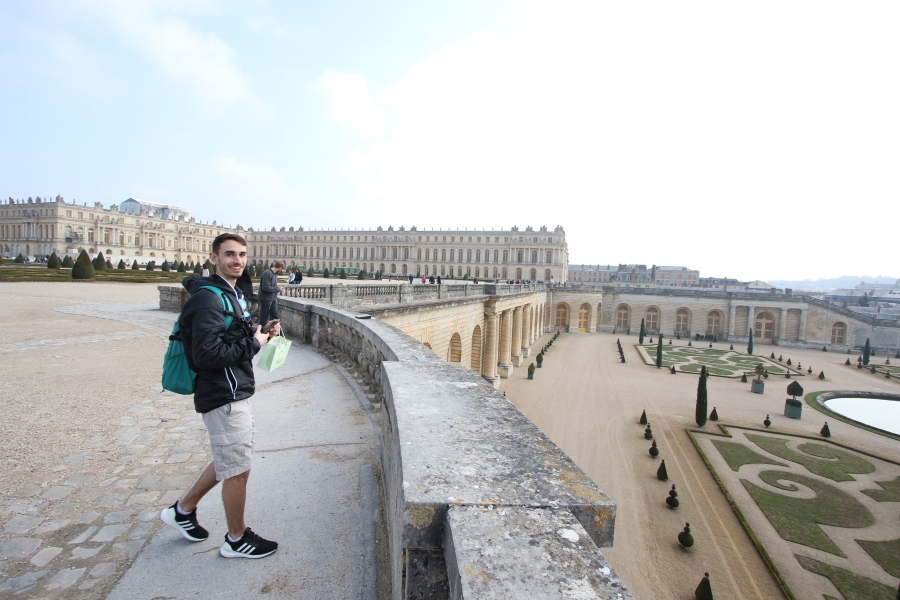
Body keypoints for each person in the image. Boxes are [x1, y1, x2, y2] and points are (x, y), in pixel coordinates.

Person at [160, 233, 280, 559]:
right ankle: (237, 539)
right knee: (238, 468)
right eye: (229, 254)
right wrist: (255, 344)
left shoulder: (230, 294)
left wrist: (259, 332)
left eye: (241, 254)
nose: (237, 260)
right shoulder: (208, 299)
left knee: (229, 459)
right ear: (214, 257)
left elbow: (228, 337)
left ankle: (182, 511)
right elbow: (207, 355)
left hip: (231, 391)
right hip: (222, 396)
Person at [257, 261, 285, 327]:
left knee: (275, 317)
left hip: (272, 298)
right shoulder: (267, 273)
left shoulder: (274, 274)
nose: (281, 271)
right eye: (282, 269)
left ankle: (276, 334)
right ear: (280, 268)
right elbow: (265, 287)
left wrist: (278, 288)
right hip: (266, 298)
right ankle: (259, 333)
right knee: (264, 318)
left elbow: (272, 286)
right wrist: (278, 289)